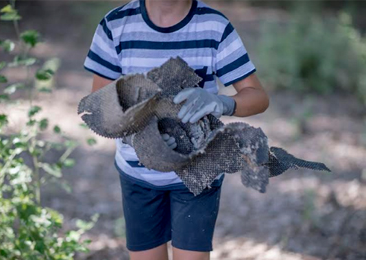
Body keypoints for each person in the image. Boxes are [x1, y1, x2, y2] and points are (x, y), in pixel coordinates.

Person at [84, 0, 269, 259]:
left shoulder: (214, 26)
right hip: (138, 176)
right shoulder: (115, 26)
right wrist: (139, 138)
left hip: (198, 171)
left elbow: (259, 97)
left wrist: (222, 103)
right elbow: (101, 109)